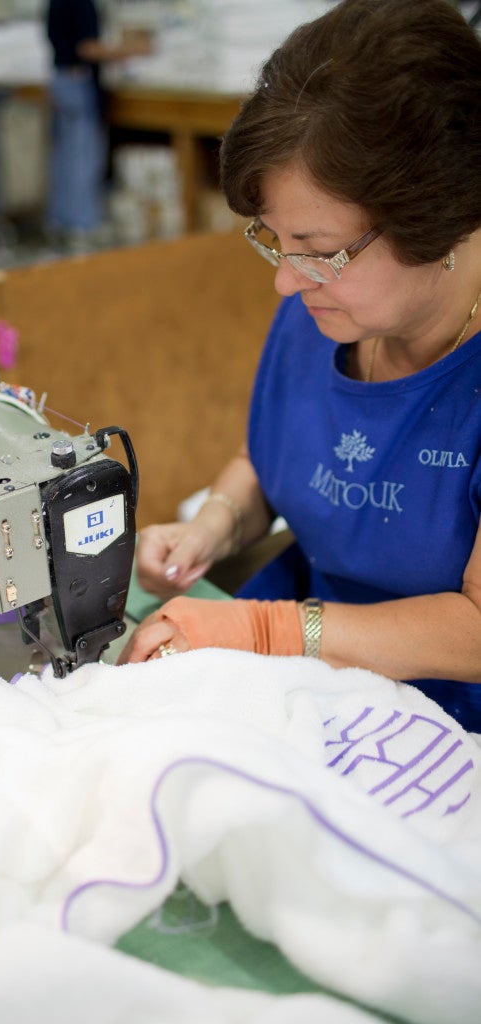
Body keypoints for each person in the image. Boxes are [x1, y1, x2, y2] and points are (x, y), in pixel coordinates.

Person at [118, 0, 481, 733]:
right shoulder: (327, 306)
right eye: (272, 241)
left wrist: (266, 631)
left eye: (317, 251)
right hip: (313, 665)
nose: (286, 280)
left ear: (441, 220)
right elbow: (280, 449)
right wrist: (214, 524)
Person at [45, 0, 151, 248]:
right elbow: (88, 48)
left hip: (61, 80)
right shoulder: (82, 4)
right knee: (84, 155)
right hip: (78, 82)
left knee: (65, 155)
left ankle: (61, 220)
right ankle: (84, 225)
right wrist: (131, 51)